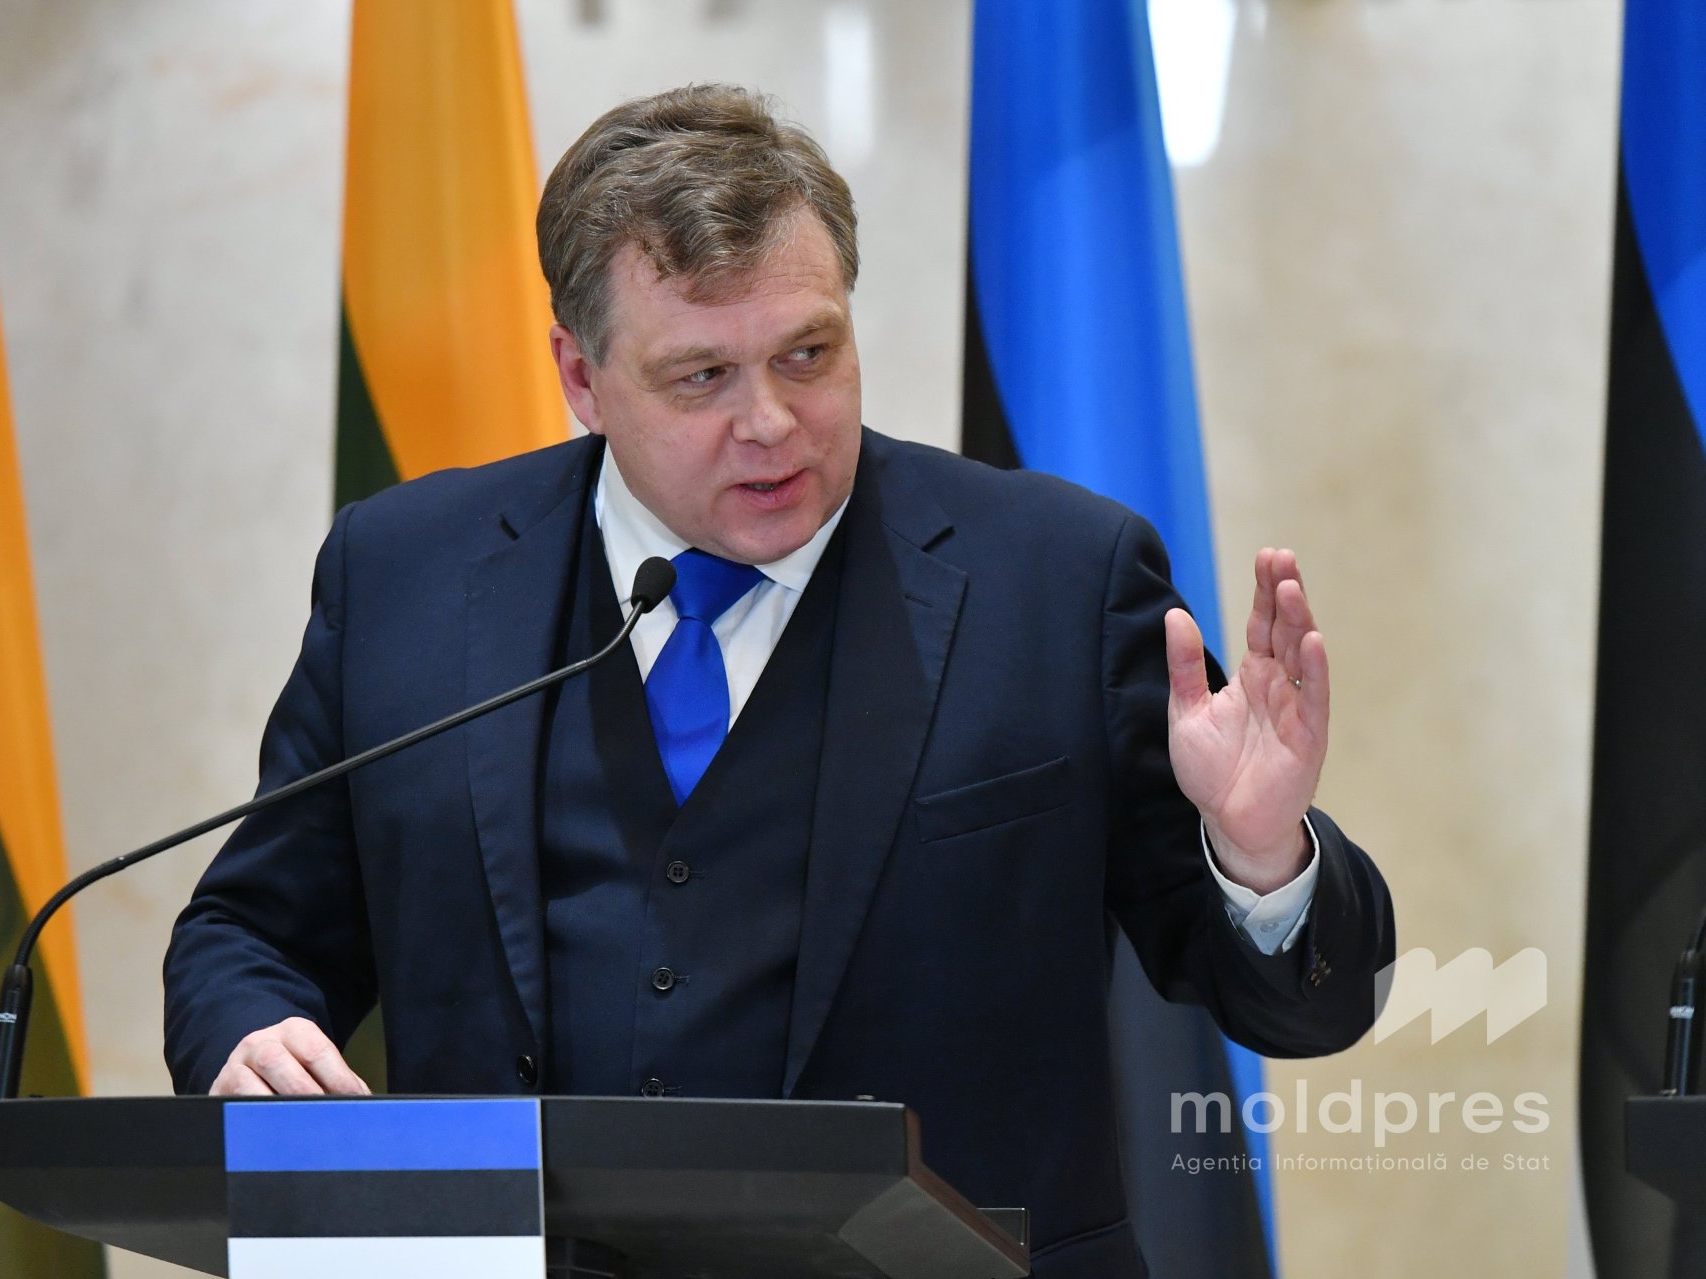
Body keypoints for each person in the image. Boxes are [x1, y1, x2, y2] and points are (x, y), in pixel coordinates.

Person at [164, 84, 1392, 1275]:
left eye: (809, 353)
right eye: (701, 376)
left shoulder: (1058, 581)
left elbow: (1301, 1005)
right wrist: (250, 1030)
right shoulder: (407, 578)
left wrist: (1261, 859)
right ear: (581, 377)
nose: (771, 421)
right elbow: (251, 928)